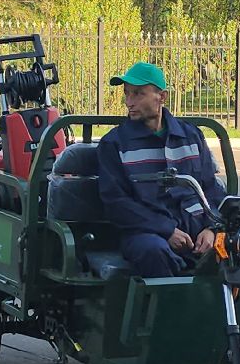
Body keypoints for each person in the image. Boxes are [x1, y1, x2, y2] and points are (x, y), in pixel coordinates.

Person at [95, 62, 227, 277]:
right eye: (127, 94)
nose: (129, 102)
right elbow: (116, 204)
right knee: (153, 251)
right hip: (146, 232)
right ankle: (167, 309)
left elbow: (211, 188)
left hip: (198, 229)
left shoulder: (191, 136)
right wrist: (166, 230)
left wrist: (212, 229)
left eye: (138, 94)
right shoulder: (115, 144)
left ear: (162, 97)